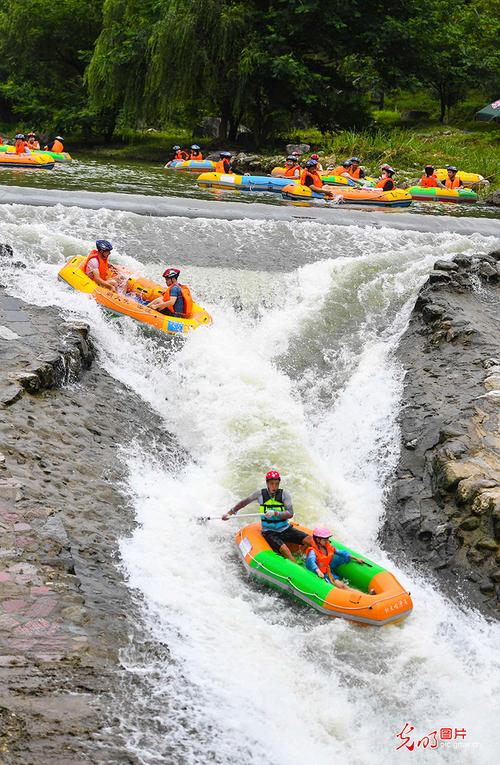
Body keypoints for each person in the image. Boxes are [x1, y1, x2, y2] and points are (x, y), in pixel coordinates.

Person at [222, 470, 313, 562]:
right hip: (269, 532)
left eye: (277, 484)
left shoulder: (285, 495)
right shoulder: (259, 494)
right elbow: (244, 503)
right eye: (272, 484)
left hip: (285, 528)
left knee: (310, 540)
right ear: (267, 483)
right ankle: (296, 567)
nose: (274, 487)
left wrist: (275, 513)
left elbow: (290, 513)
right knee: (285, 550)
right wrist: (230, 513)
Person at [305, 527, 373, 593]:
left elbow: (341, 553)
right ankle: (364, 597)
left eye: (327, 539)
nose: (327, 541)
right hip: (317, 574)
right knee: (341, 587)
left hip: (327, 572)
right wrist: (318, 571)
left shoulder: (329, 547)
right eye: (325, 540)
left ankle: (365, 596)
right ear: (317, 539)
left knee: (343, 586)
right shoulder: (313, 551)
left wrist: (356, 558)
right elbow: (311, 562)